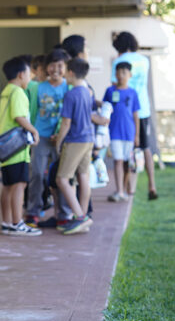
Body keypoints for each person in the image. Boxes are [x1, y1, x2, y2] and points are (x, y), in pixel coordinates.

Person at [55, 57, 104, 235]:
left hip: (75, 140)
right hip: (88, 139)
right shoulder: (87, 91)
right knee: (82, 176)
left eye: (66, 70)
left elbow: (66, 123)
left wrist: (59, 142)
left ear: (71, 73)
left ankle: (80, 217)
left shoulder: (71, 94)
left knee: (62, 179)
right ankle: (82, 216)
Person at [25, 49, 70, 225]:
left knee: (62, 176)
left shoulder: (70, 87)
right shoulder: (37, 87)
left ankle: (64, 213)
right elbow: (30, 111)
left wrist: (60, 133)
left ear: (66, 68)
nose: (56, 69)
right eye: (52, 65)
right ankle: (33, 211)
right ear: (46, 67)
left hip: (62, 137)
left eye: (60, 65)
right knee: (36, 174)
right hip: (40, 136)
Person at [112, 31, 158, 200]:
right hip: (143, 109)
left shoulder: (119, 62)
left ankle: (126, 187)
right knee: (145, 148)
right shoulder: (144, 60)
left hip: (124, 112)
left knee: (125, 150)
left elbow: (115, 86)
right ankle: (151, 184)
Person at [0, 56, 41, 236]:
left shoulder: (6, 90)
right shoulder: (18, 92)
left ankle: (7, 222)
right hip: (16, 149)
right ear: (21, 74)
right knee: (19, 184)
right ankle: (17, 223)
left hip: (5, 148)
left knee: (8, 185)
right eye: (29, 73)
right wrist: (34, 131)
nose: (30, 77)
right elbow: (19, 117)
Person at [104, 62, 140, 202]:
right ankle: (119, 190)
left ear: (129, 75)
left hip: (129, 133)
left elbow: (136, 115)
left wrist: (136, 135)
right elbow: (105, 110)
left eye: (124, 72)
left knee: (127, 163)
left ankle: (123, 190)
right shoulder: (110, 91)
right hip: (114, 132)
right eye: (118, 72)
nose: (120, 75)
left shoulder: (132, 93)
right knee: (118, 160)